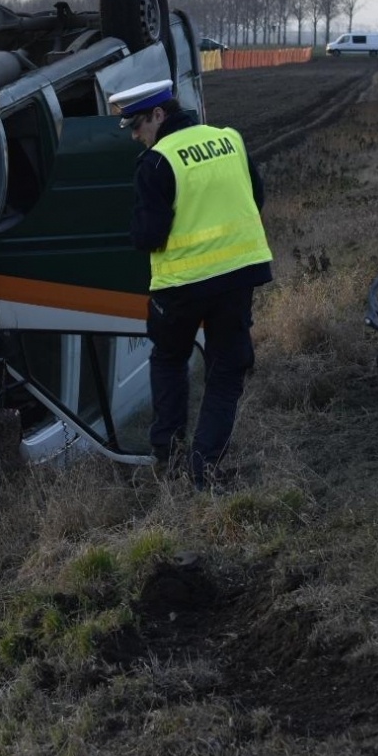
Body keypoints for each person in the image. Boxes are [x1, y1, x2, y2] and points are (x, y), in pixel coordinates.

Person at [107, 79, 273, 489]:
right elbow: (257, 194)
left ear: (159, 115)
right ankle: (205, 466)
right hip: (238, 275)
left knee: (169, 360)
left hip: (180, 286)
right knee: (226, 370)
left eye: (136, 126)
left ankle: (169, 455)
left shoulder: (157, 162)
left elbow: (150, 236)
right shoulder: (228, 139)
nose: (135, 136)